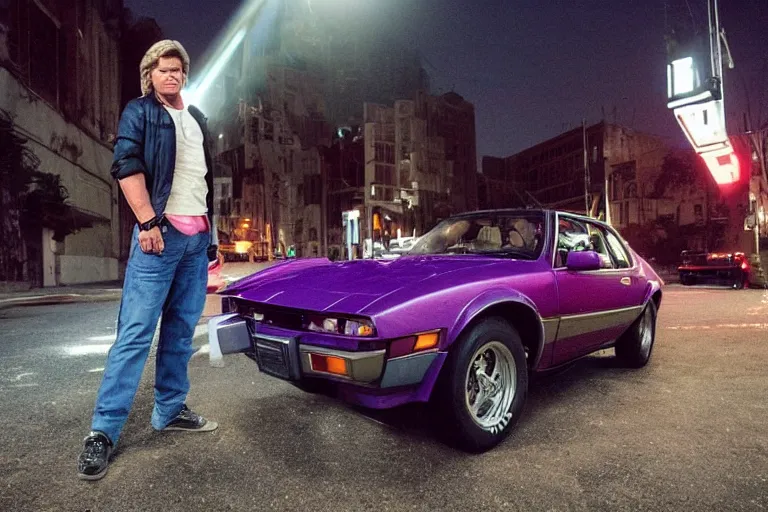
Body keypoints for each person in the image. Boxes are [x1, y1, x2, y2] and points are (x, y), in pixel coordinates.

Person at [77, 40, 218, 481]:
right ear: (149, 76)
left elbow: (202, 182)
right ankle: (102, 432)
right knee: (135, 333)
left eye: (177, 69)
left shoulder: (196, 120)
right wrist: (147, 222)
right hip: (160, 235)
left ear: (185, 75)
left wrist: (211, 238)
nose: (171, 76)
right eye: (162, 70)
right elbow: (127, 164)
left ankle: (170, 409)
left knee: (180, 331)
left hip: (197, 239)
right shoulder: (140, 112)